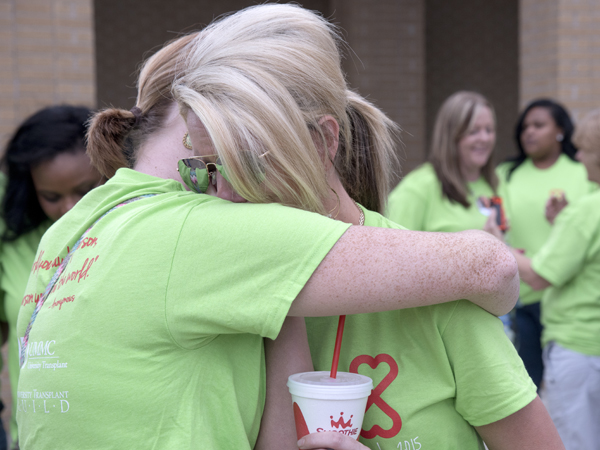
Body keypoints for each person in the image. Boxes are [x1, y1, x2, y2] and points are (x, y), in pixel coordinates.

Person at [16, 5, 520, 450]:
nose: (228, 191)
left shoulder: (74, 230)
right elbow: (491, 267)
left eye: (248, 163)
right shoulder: (205, 231)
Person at [175, 26, 563, 448]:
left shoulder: (437, 289)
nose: (225, 195)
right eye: (204, 169)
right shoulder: (215, 291)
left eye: (247, 162)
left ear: (323, 142)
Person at [0, 105, 103, 447]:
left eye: (85, 190)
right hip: (36, 438)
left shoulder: (133, 227)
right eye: (52, 197)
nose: (70, 209)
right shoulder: (12, 241)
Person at [508, 109, 600, 450]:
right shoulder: (580, 213)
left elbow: (539, 275)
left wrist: (494, 246)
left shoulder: (586, 211)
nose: (578, 157)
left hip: (579, 350)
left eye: (585, 150)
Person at [497, 98, 596, 388]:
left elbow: (584, 229)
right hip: (520, 295)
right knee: (528, 383)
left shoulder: (582, 173)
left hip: (564, 299)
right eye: (525, 126)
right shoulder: (507, 174)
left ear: (560, 131)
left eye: (539, 125)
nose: (530, 132)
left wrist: (494, 244)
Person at [387, 91, 501, 234]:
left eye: (489, 130)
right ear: (451, 136)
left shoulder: (496, 183)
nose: (484, 138)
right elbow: (391, 249)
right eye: (474, 131)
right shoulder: (418, 188)